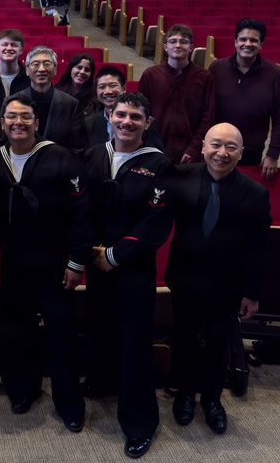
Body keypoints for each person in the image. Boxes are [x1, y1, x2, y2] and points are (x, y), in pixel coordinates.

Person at [0, 93, 92, 431]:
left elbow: (82, 214)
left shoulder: (61, 158)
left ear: (36, 123)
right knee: (16, 329)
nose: (18, 123)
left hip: (55, 262)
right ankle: (21, 390)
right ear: (1, 124)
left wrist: (77, 262)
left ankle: (69, 402)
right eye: (11, 117)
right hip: (14, 261)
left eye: (25, 117)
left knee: (61, 334)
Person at [83, 92, 173, 460]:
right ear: (109, 116)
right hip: (96, 262)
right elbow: (80, 208)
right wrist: (90, 253)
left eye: (136, 117)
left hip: (132, 267)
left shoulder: (160, 165)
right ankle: (104, 382)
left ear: (147, 123)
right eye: (120, 114)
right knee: (101, 326)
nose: (126, 122)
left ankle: (140, 422)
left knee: (135, 342)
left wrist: (115, 255)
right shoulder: (92, 156)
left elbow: (156, 223)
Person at [166, 123, 271, 436]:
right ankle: (185, 393)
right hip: (183, 279)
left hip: (226, 284)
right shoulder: (180, 177)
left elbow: (258, 248)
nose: (221, 153)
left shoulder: (255, 193)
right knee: (183, 339)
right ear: (203, 148)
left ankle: (211, 399)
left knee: (216, 343)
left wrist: (251, 292)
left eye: (230, 147)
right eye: (215, 145)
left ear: (240, 153)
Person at [208, 18, 280, 180]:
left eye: (254, 40)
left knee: (241, 197)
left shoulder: (275, 74)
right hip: (217, 148)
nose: (248, 44)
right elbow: (205, 108)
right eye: (243, 39)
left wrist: (273, 154)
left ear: (261, 45)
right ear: (235, 42)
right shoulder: (217, 68)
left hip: (251, 150)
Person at [137, 24, 214, 165]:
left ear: (191, 47)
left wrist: (194, 148)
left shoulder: (204, 77)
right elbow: (140, 112)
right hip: (154, 149)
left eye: (183, 42)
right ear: (165, 47)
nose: (178, 45)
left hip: (189, 153)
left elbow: (207, 117)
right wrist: (148, 146)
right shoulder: (151, 75)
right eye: (173, 41)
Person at [19, 45, 85, 153]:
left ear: (55, 70)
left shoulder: (71, 104)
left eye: (47, 64)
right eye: (35, 64)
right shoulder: (12, 102)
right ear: (27, 70)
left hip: (59, 166)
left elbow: (76, 148)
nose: (41, 69)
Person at [86, 65, 164, 152]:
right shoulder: (89, 123)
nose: (107, 91)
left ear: (124, 89)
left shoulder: (145, 123)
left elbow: (157, 157)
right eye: (102, 87)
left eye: (112, 86)